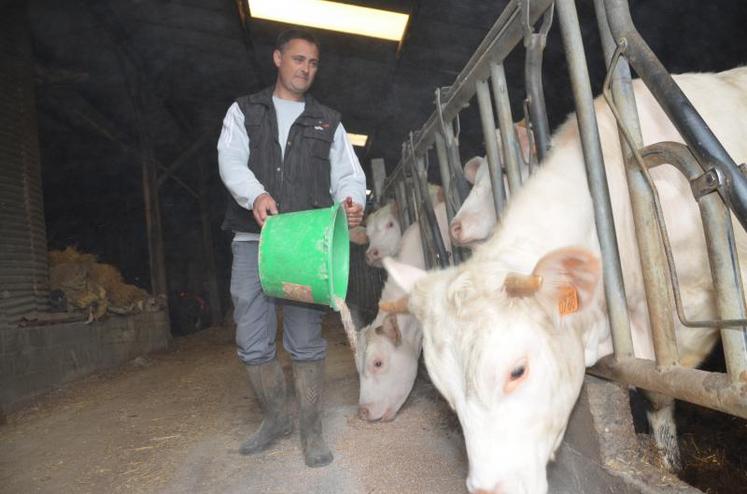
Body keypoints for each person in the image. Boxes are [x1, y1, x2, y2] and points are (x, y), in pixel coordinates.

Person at [217, 28, 366, 468]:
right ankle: (277, 416)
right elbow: (230, 159)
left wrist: (351, 203)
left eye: (313, 63)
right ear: (278, 58)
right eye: (298, 59)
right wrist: (255, 195)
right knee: (252, 340)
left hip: (305, 241)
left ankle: (311, 429)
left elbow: (347, 174)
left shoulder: (328, 121)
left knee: (306, 340)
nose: (305, 69)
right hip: (253, 238)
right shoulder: (245, 110)